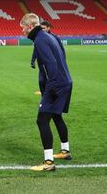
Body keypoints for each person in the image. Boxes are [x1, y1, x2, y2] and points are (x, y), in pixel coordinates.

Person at [20, 13, 73, 171]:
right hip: (64, 82)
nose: (22, 31)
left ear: (30, 26)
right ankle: (65, 151)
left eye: (23, 27)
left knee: (42, 120)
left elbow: (51, 65)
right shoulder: (49, 36)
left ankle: (48, 163)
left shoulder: (40, 40)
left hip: (56, 84)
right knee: (56, 116)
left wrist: (53, 87)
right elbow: (61, 57)